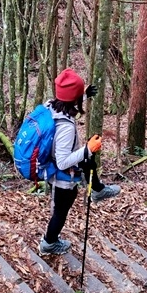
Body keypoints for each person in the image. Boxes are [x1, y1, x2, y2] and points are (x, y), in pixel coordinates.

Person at [39, 68, 121, 256]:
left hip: (59, 169)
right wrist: (87, 149)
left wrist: (82, 95)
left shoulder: (50, 106)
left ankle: (98, 190)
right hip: (62, 177)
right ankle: (48, 243)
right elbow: (62, 162)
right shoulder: (66, 128)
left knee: (88, 162)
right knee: (61, 212)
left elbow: (66, 100)